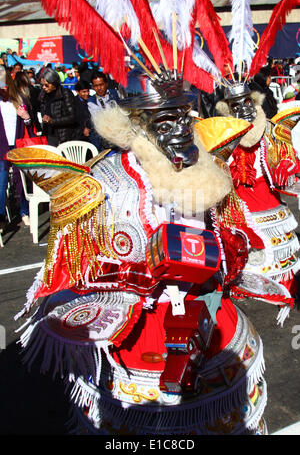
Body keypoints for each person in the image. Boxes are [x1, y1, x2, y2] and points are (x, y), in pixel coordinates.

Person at [8, 68, 267, 436]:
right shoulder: (108, 181)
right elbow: (83, 268)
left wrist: (220, 254)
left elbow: (235, 233)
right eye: (166, 120)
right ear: (136, 126)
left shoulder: (209, 165)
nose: (181, 129)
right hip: (142, 326)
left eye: (185, 115)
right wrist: (144, 271)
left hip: (209, 316)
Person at [215, 80, 300, 322]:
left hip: (268, 201)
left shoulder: (273, 132)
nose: (242, 109)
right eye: (235, 105)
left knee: (279, 250)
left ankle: (281, 284)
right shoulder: (220, 136)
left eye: (247, 102)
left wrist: (286, 165)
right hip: (236, 205)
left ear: (256, 102)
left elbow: (288, 162)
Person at [0, 65, 36, 229]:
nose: (3, 89)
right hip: (2, 146)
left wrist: (26, 117)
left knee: (21, 179)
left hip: (19, 144)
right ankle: (1, 217)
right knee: (2, 181)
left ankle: (23, 211)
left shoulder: (19, 99)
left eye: (5, 85)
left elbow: (30, 125)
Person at [38, 67, 78, 146]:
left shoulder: (65, 94)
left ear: (54, 84)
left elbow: (72, 117)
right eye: (42, 85)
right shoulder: (43, 95)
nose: (44, 88)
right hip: (48, 134)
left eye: (46, 85)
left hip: (64, 135)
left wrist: (53, 121)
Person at [88, 71, 120, 150]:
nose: (99, 88)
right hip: (103, 141)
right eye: (96, 86)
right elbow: (100, 120)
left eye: (101, 85)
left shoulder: (116, 93)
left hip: (119, 136)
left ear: (106, 84)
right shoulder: (91, 101)